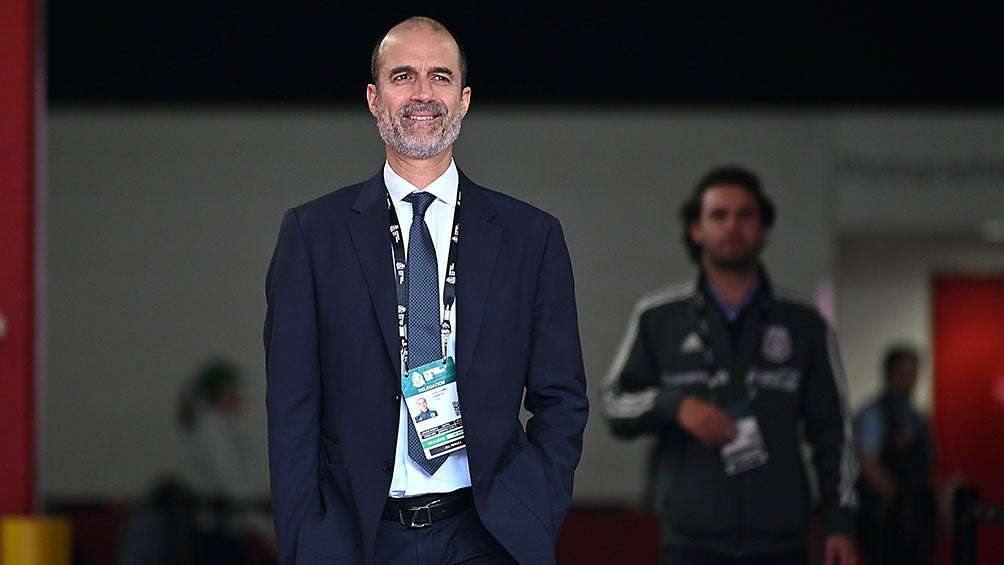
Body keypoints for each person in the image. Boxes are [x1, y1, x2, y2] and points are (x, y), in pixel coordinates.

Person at [263, 16, 588, 565]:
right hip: (354, 538)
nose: (422, 93)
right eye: (402, 76)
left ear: (463, 100)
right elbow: (291, 406)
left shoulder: (531, 237)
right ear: (373, 98)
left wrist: (536, 507)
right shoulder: (311, 235)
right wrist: (305, 537)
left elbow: (563, 398)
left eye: (440, 77)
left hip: (487, 535)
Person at [601, 165, 859, 565]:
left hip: (781, 542)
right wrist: (676, 406)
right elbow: (614, 403)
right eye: (718, 215)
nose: (732, 226)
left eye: (745, 215)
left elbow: (834, 433)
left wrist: (840, 523)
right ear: (696, 229)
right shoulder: (659, 317)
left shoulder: (804, 323)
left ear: (763, 228)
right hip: (690, 541)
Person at [177, 359, 277, 564]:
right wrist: (264, 529)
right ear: (221, 393)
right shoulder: (211, 432)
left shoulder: (221, 428)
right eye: (234, 388)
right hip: (216, 534)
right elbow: (234, 486)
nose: (241, 395)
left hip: (227, 530)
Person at [853, 344, 937, 565]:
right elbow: (866, 461)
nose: (911, 379)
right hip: (887, 522)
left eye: (914, 372)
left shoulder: (914, 415)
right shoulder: (874, 413)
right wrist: (896, 501)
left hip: (917, 520)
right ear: (889, 373)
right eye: (905, 372)